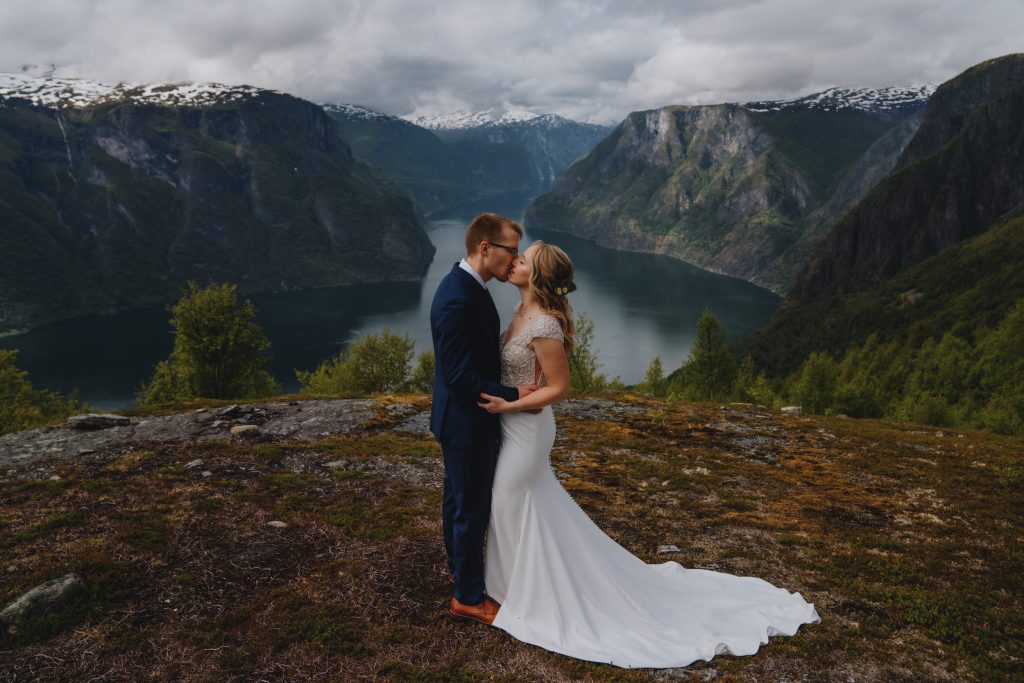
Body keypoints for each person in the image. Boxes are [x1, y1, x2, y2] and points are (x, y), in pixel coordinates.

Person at [477, 240, 821, 669]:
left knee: (508, 500)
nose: (514, 261)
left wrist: (509, 404)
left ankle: (518, 591)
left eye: (523, 259)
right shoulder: (520, 313)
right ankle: (513, 585)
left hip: (527, 428)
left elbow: (560, 388)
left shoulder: (544, 324)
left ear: (539, 275)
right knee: (520, 506)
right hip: (512, 423)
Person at [428, 213, 540, 625]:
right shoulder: (459, 298)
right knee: (471, 507)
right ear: (485, 247)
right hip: (466, 421)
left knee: (459, 500)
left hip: (460, 419)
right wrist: (514, 394)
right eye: (511, 250)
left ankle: (463, 573)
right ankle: (469, 598)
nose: (514, 260)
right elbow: (457, 375)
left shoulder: (467, 285)